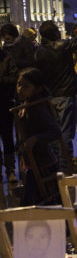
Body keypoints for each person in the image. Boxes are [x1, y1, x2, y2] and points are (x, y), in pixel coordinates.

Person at [34, 12, 77, 165]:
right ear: (55, 33)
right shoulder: (62, 46)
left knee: (53, 129)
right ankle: (66, 160)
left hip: (49, 96)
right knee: (66, 130)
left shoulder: (38, 52)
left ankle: (56, 159)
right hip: (65, 94)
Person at [15, 68, 61, 205]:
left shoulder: (37, 108)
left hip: (43, 164)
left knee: (37, 204)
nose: (20, 89)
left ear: (37, 88)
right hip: (32, 163)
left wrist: (35, 139)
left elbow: (55, 131)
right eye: (19, 84)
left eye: (26, 86)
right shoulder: (25, 105)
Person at [0, 44, 18, 183]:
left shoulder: (6, 57)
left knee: (7, 137)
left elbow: (14, 78)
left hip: (4, 103)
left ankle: (10, 169)